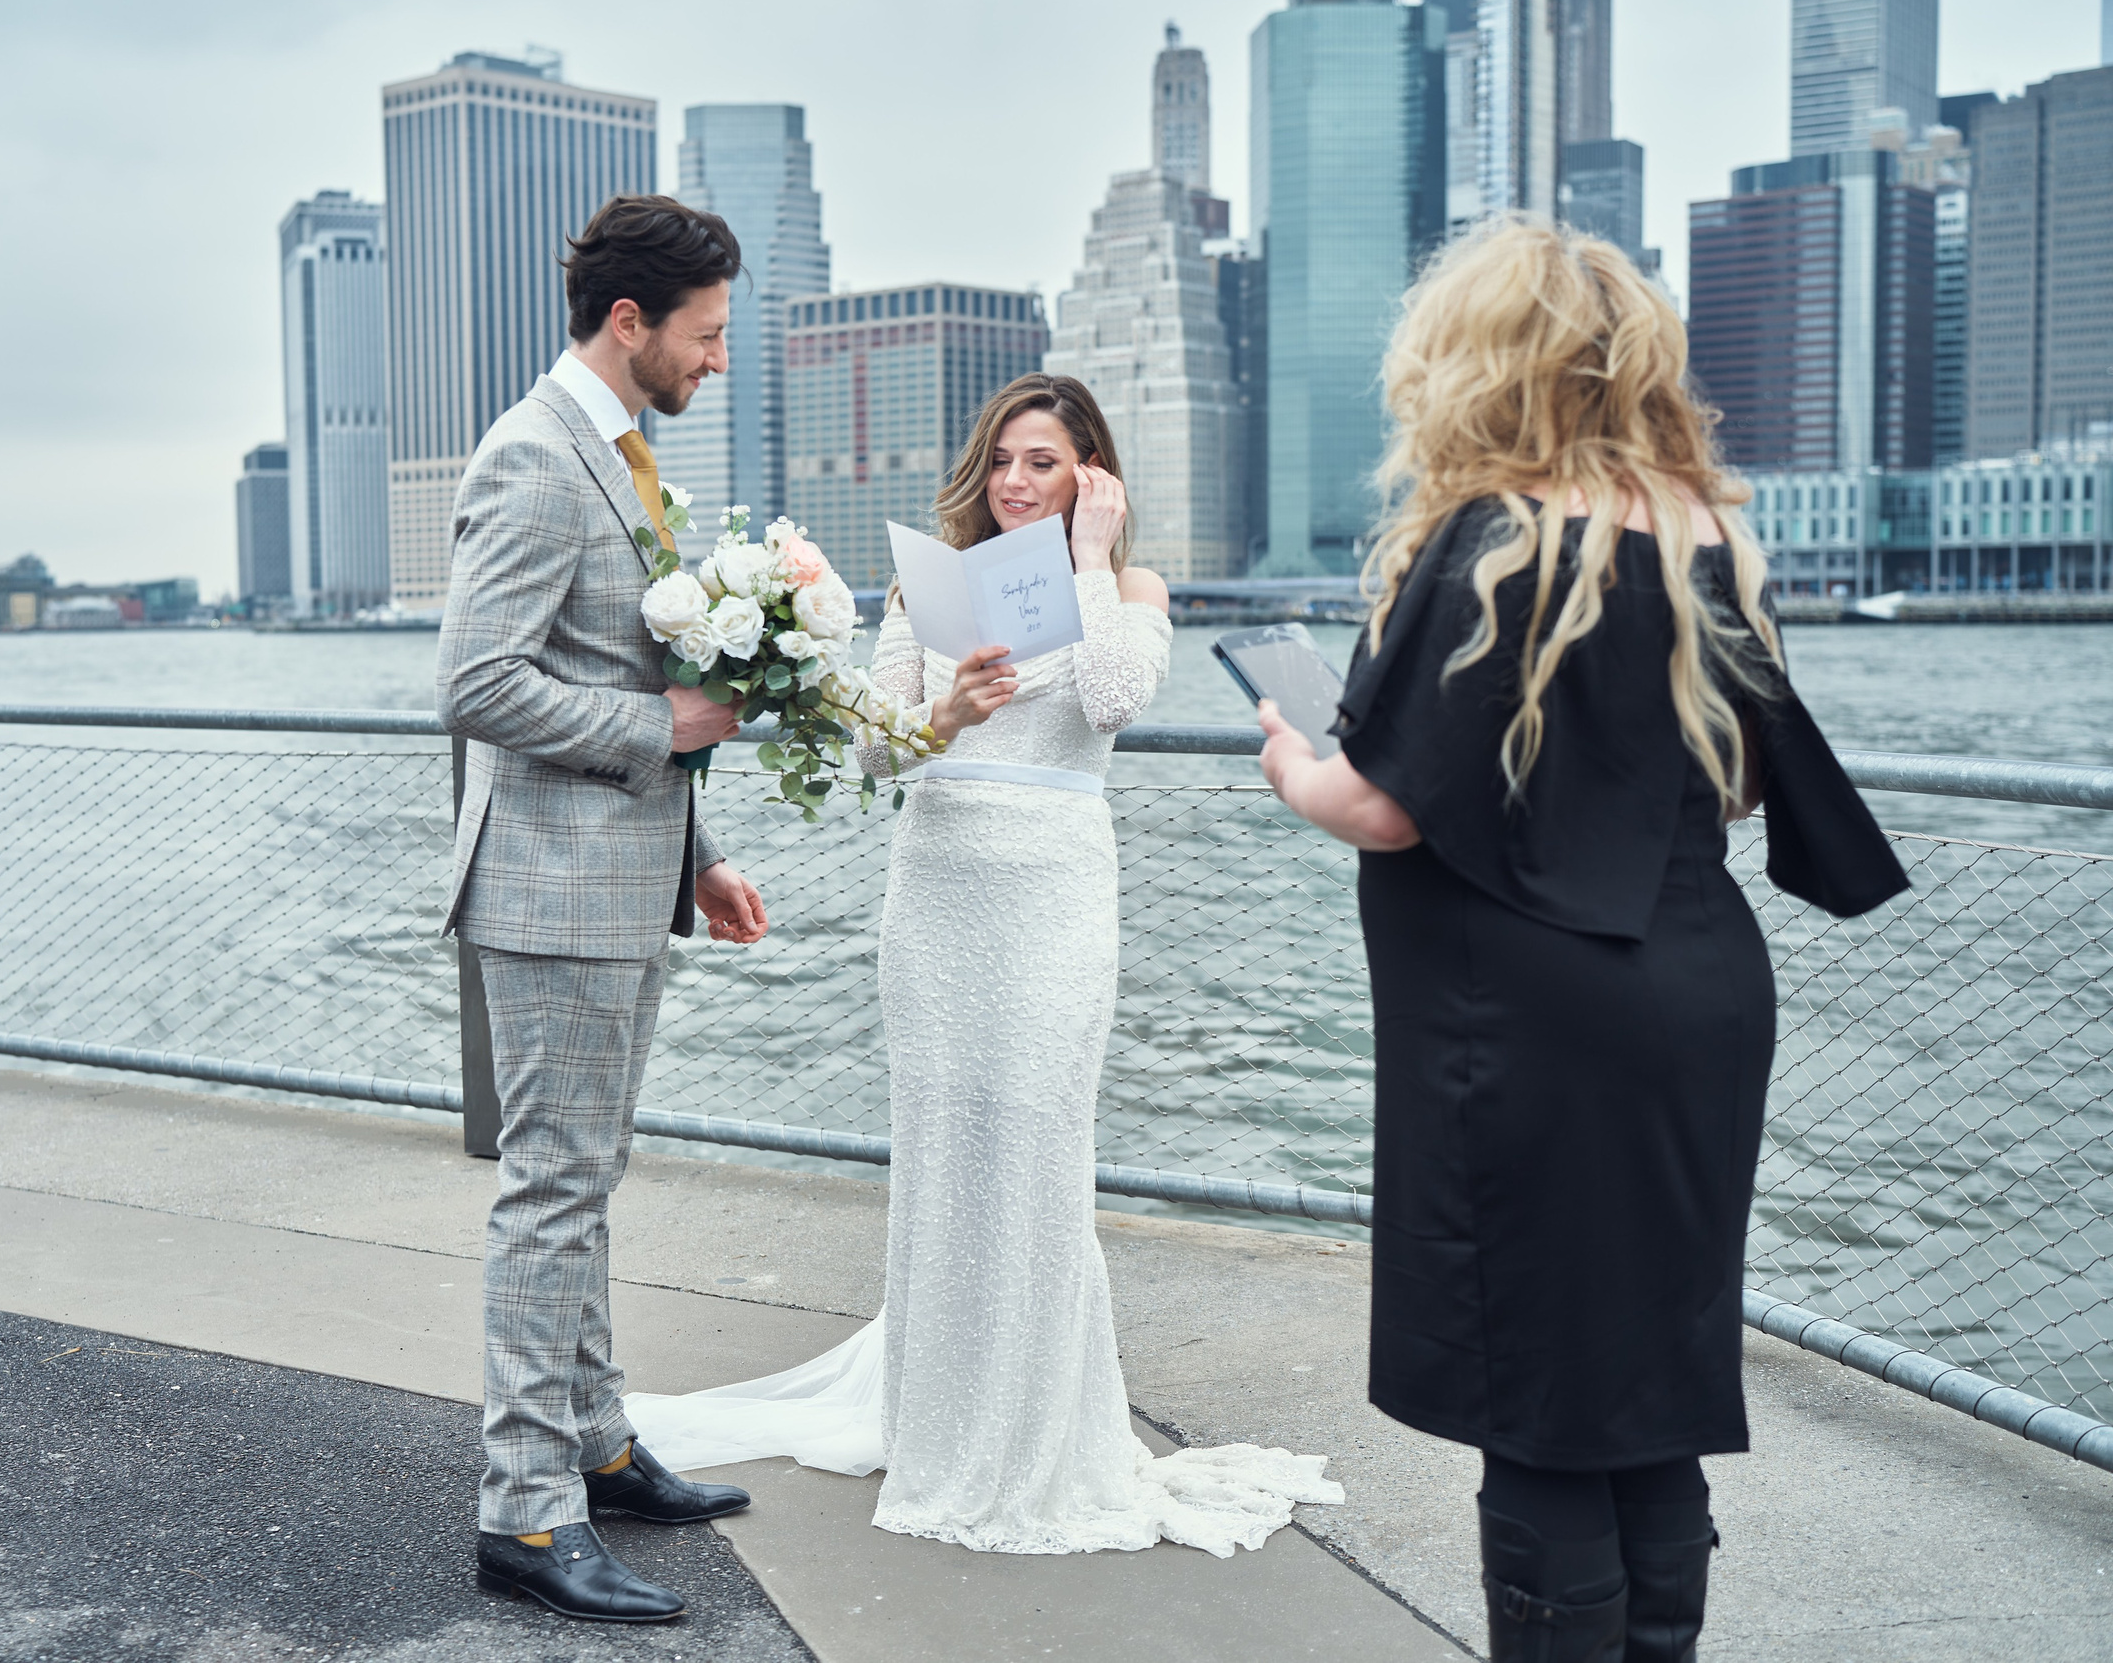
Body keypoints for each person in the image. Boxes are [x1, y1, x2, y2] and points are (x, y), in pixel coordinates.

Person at [1256, 217, 1906, 1660]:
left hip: (1526, 1014)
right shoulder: (1708, 533)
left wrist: (1290, 759)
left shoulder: (1489, 537)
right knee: (1644, 1391)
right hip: (1699, 990)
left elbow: (1381, 808)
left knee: (1541, 1404)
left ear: (1474, 363)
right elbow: (1736, 783)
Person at [624, 374, 1347, 1557]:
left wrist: (1094, 560)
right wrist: (949, 712)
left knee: (1037, 1131)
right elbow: (870, 754)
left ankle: (1032, 1419)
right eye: (1005, 458)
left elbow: (1112, 698)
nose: (1017, 480)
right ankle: (940, 1408)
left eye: (1046, 463)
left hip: (1057, 885)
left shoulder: (1128, 587)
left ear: (1089, 476)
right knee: (948, 1137)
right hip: (942, 887)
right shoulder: (932, 584)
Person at [435, 193, 775, 1626]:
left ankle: (597, 1440)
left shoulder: (624, 456)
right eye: (702, 337)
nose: (714, 364)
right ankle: (525, 1513)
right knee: (552, 1198)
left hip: (624, 877)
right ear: (628, 322)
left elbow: (624, 675)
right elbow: (480, 682)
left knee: (585, 1185)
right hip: (551, 890)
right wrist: (668, 728)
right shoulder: (534, 456)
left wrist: (694, 850)